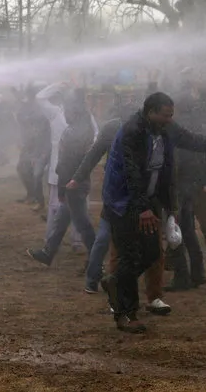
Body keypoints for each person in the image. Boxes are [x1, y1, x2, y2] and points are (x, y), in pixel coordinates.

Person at [100, 92, 206, 333]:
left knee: (151, 254)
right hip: (123, 203)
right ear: (150, 112)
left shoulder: (165, 129)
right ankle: (127, 315)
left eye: (171, 116)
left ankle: (115, 282)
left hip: (150, 201)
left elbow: (193, 140)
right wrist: (143, 208)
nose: (169, 120)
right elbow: (131, 173)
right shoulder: (132, 131)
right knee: (128, 255)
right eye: (165, 115)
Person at [67, 101, 138, 293]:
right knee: (104, 237)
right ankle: (93, 279)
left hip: (138, 192)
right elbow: (94, 154)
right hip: (116, 191)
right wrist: (77, 178)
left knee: (131, 240)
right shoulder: (112, 128)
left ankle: (118, 280)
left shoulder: (146, 129)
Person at [26, 88, 99, 267]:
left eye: (67, 112)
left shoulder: (72, 134)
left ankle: (97, 261)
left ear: (74, 112)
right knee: (62, 220)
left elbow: (64, 166)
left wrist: (61, 190)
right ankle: (48, 253)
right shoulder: (85, 126)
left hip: (72, 184)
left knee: (83, 224)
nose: (64, 115)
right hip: (78, 182)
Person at [165, 84, 206, 291]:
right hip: (192, 183)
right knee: (188, 230)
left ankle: (182, 277)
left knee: (179, 229)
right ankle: (197, 273)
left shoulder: (178, 126)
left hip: (183, 185)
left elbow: (201, 154)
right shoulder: (200, 122)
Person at [34, 82, 85, 254]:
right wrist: (58, 85)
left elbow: (96, 137)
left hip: (77, 168)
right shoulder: (56, 112)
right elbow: (39, 97)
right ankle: (51, 240)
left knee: (76, 204)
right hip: (60, 168)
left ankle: (76, 241)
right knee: (56, 205)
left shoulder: (84, 116)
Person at [15, 84, 51, 210]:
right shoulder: (26, 106)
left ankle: (39, 199)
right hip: (29, 145)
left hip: (41, 146)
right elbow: (22, 121)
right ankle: (31, 195)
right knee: (22, 168)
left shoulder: (41, 108)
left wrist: (41, 152)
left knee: (37, 173)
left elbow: (41, 130)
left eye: (30, 94)